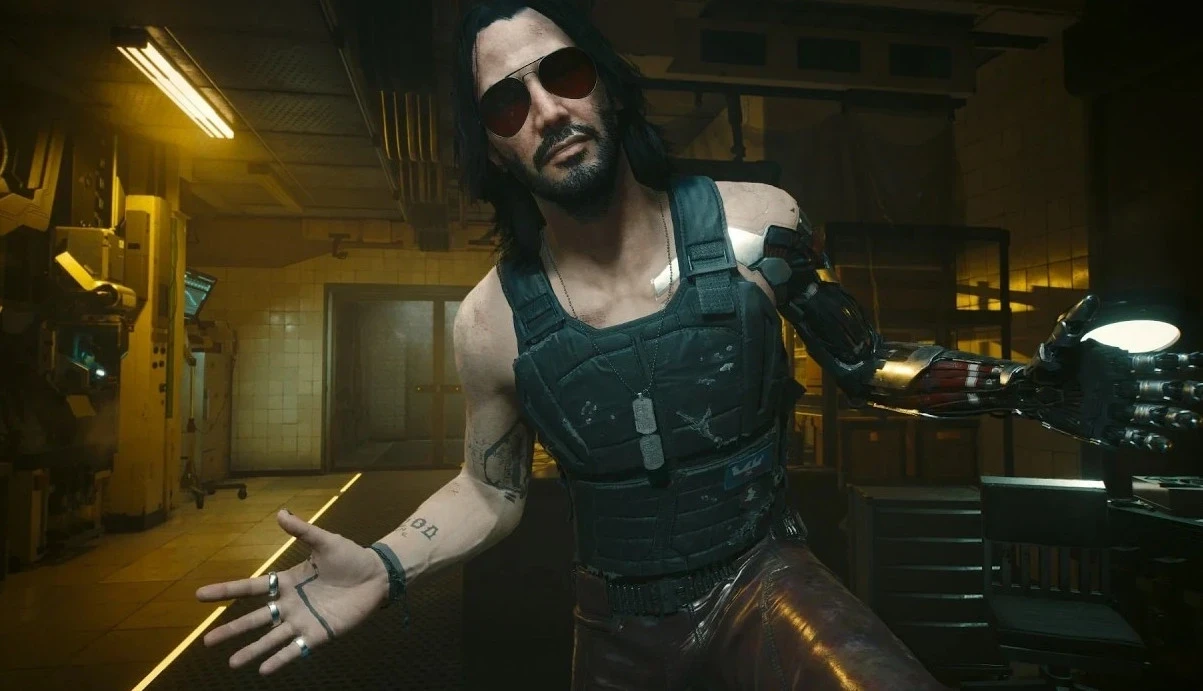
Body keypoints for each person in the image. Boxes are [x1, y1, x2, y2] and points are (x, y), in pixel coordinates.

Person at [196, 1, 1202, 688]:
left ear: (607, 87)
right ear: (493, 147)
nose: (546, 109)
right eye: (508, 101)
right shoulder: (490, 320)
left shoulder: (757, 226)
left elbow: (864, 363)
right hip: (617, 624)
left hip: (768, 577)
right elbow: (490, 489)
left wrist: (1022, 384)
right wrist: (385, 563)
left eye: (563, 73)